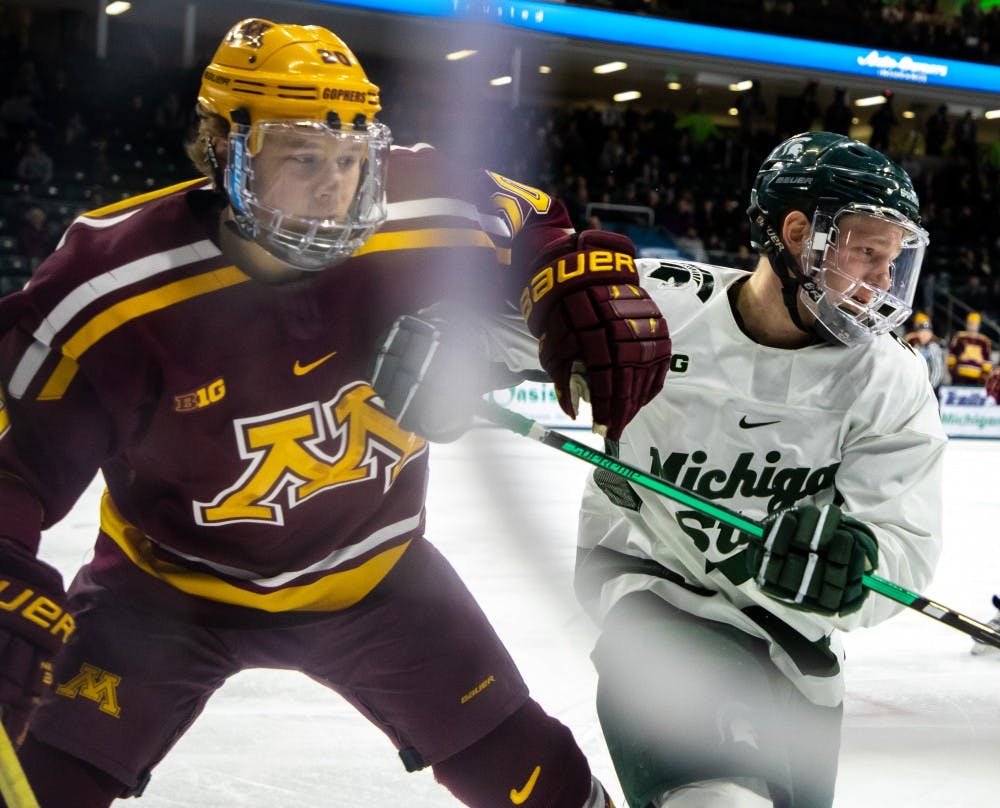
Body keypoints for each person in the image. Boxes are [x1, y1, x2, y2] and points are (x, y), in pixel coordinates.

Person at [0, 19, 671, 807]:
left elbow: (535, 222)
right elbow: (16, 467)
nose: (335, 185)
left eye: (352, 158)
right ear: (224, 149)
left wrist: (572, 275)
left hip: (377, 577)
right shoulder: (111, 288)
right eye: (303, 157)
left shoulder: (423, 206)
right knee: (39, 788)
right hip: (166, 597)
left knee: (535, 775)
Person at [564, 132, 944, 807]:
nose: (885, 283)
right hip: (656, 610)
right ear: (799, 233)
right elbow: (504, 321)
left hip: (791, 651)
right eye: (867, 253)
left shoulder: (891, 380)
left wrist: (850, 572)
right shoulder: (652, 304)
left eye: (894, 262)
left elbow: (903, 551)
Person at [946, 311, 992, 386]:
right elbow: (952, 356)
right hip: (960, 377)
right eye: (971, 323)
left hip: (977, 379)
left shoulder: (984, 341)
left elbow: (987, 361)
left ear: (978, 325)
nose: (973, 325)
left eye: (975, 323)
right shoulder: (959, 337)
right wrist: (953, 372)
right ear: (967, 323)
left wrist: (984, 376)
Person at [904, 311, 945, 395]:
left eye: (927, 332)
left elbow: (937, 370)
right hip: (917, 387)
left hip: (929, 388)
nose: (924, 335)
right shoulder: (917, 347)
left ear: (931, 333)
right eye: (921, 332)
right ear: (917, 333)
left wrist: (930, 388)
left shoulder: (933, 347)